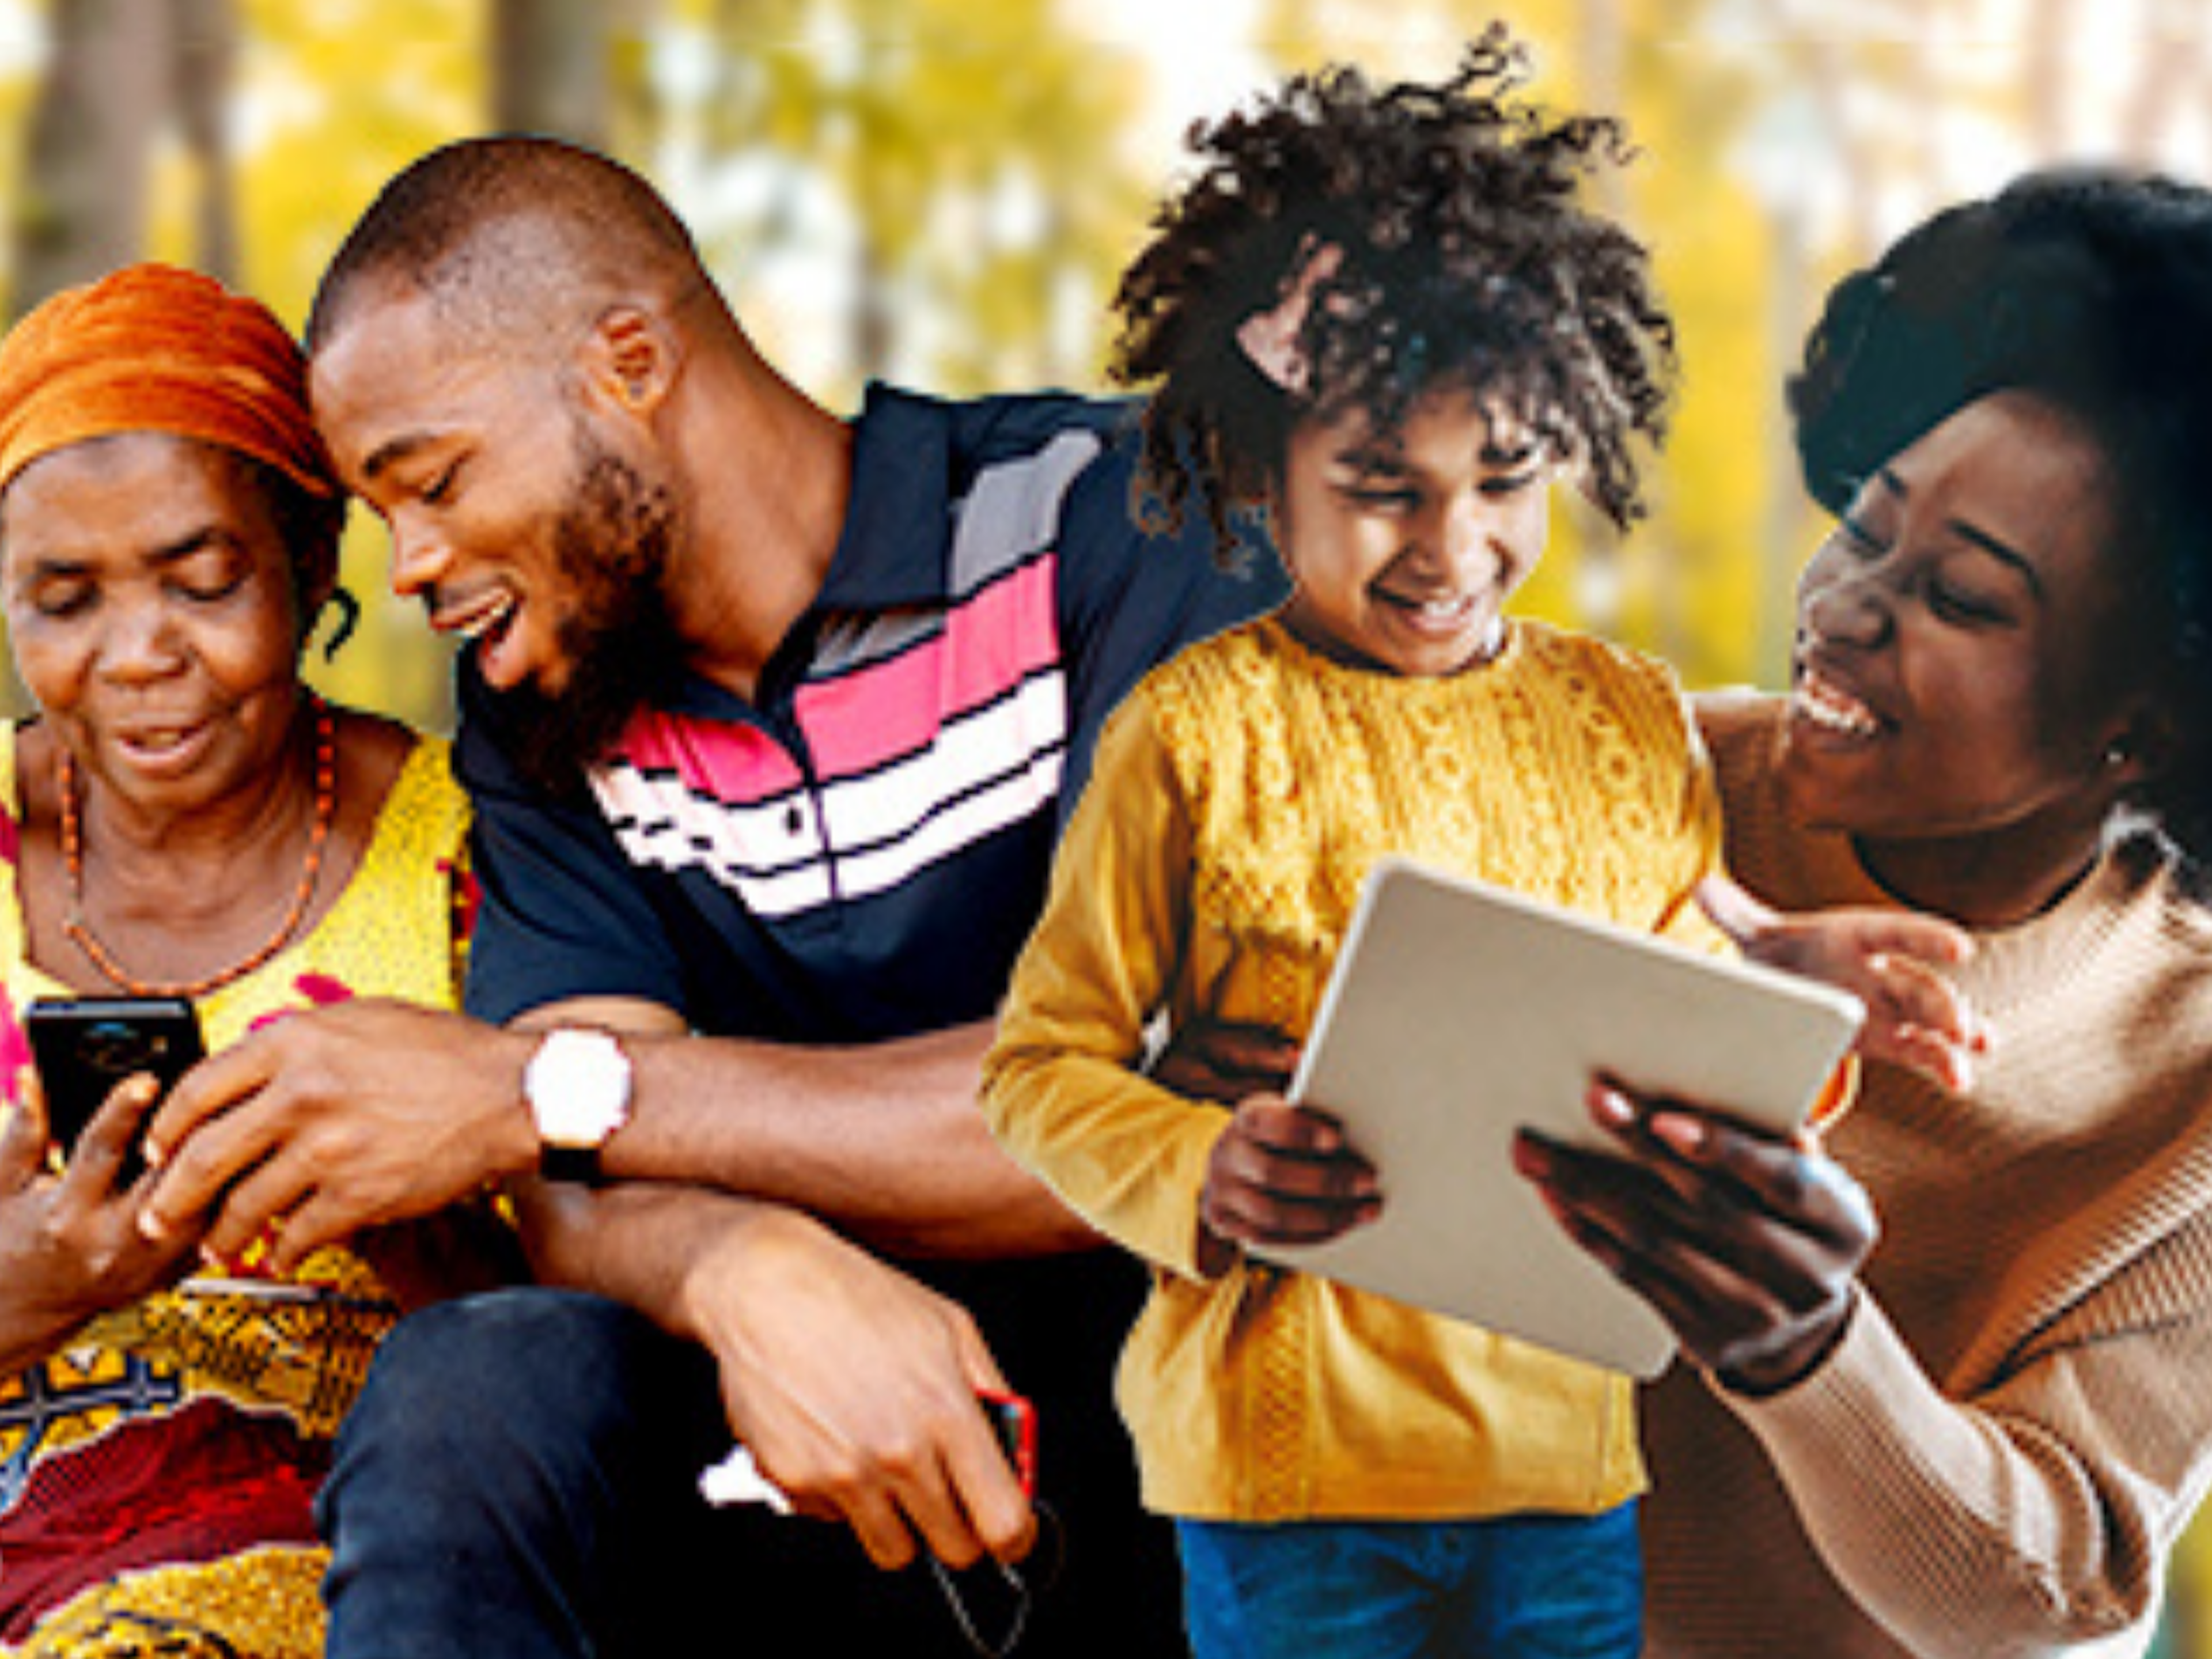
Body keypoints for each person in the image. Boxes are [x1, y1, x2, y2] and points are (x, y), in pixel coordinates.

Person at [126, 135, 1286, 1656]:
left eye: (437, 481)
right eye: (380, 511)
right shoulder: (545, 714)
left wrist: (541, 1087)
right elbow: (576, 1188)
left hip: (1194, 1451)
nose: (409, 566)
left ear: (629, 364)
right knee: (477, 1387)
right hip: (790, 1457)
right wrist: (755, 1272)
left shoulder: (1133, 517)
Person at [978, 39, 1978, 1659]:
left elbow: (1675, 954)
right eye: (1384, 490)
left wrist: (1793, 973)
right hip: (1285, 1475)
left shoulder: (1620, 711)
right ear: (1262, 467)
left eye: (1505, 481)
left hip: (1563, 1461)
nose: (1453, 549)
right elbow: (1040, 1066)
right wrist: (1194, 1166)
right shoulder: (1190, 734)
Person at [0, 264, 507, 1659]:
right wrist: (31, 1287)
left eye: (204, 582)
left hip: (341, 1538)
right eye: (63, 600)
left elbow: (573, 1357)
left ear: (311, 568)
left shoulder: (472, 858)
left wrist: (404, 1205)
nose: (140, 656)